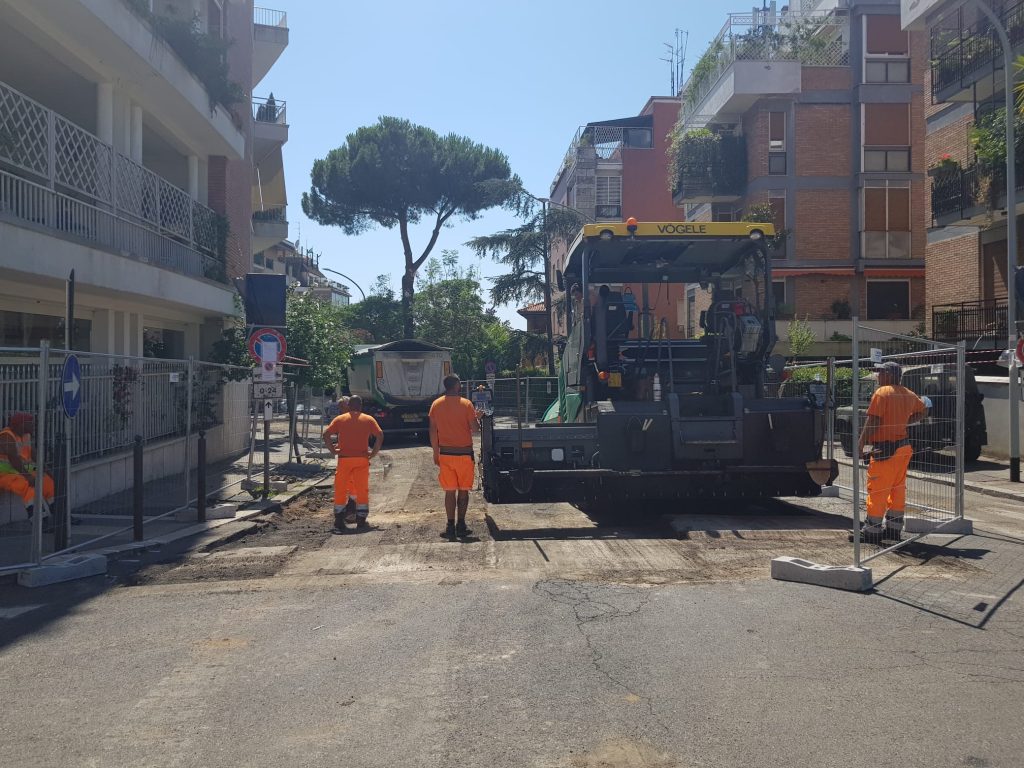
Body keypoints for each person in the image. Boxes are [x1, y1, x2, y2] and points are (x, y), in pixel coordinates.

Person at [856, 361, 927, 542]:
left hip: (885, 450)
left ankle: (871, 532)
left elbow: (873, 421)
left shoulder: (882, 393)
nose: (878, 376)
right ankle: (893, 530)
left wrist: (860, 444)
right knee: (897, 490)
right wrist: (905, 422)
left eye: (880, 372)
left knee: (878, 490)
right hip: (903, 448)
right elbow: (923, 411)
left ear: (889, 374)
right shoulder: (909, 394)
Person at [429, 374, 480, 540]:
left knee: (449, 491)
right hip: (464, 454)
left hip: (445, 454)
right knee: (463, 491)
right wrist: (477, 419)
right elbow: (475, 430)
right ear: (457, 385)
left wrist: (435, 452)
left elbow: (432, 431)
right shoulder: (466, 404)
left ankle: (450, 526)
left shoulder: (436, 405)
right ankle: (461, 524)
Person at [322, 396, 383, 531]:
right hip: (362, 459)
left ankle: (339, 519)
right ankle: (361, 519)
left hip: (344, 459)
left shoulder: (340, 419)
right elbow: (380, 435)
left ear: (349, 406)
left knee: (341, 488)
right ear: (361, 406)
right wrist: (373, 453)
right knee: (362, 488)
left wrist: (333, 450)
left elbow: (326, 434)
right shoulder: (368, 419)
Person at [0, 413, 54, 518]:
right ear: (21, 425)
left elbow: (35, 456)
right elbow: (14, 459)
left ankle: (60, 514)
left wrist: (48, 471)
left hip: (22, 468)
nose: (33, 426)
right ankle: (40, 521)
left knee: (48, 481)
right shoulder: (6, 436)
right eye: (31, 424)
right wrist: (28, 476)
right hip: (5, 472)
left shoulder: (26, 435)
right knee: (28, 485)